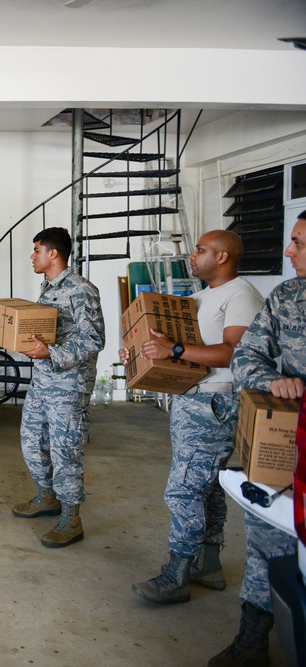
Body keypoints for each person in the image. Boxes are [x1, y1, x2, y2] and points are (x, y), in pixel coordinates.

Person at [122, 231, 263, 604]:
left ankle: (177, 574)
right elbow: (174, 351)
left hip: (214, 403)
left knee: (184, 488)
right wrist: (143, 353)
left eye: (201, 250)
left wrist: (176, 348)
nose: (192, 254)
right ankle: (209, 564)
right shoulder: (201, 298)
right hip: (193, 400)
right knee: (207, 485)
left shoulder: (241, 295)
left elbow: (235, 353)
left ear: (222, 257)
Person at [210, 212, 306, 666]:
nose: (289, 252)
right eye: (290, 240)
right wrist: (273, 381)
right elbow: (246, 355)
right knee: (267, 538)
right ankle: (252, 639)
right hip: (284, 444)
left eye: (299, 243)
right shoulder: (286, 297)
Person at [13, 227, 105, 548]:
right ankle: (47, 496)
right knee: (33, 439)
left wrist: (50, 352)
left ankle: (71, 518)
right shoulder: (49, 287)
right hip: (43, 381)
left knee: (65, 448)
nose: (32, 255)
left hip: (68, 385)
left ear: (53, 254)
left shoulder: (81, 290)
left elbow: (93, 339)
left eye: (36, 250)